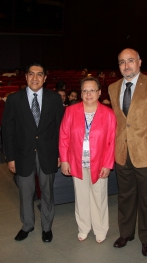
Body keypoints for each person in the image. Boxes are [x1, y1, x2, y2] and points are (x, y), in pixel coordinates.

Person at [108, 48, 147, 257]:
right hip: (123, 153)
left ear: (139, 62)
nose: (126, 65)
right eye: (122, 62)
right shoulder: (112, 87)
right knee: (125, 197)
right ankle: (126, 234)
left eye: (130, 61)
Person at [2, 62, 64, 243]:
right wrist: (10, 157)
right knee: (25, 193)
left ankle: (47, 227)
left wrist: (61, 154)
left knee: (47, 193)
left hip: (48, 154)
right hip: (23, 154)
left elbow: (61, 129)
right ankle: (27, 225)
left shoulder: (54, 99)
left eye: (39, 74)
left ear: (45, 78)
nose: (35, 78)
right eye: (31, 74)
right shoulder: (14, 99)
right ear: (26, 77)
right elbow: (8, 130)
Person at [59, 76, 116, 243]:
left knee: (99, 198)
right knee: (82, 198)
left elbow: (112, 141)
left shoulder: (108, 113)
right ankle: (83, 227)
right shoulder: (71, 111)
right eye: (85, 90)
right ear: (80, 93)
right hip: (77, 162)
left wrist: (107, 164)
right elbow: (63, 137)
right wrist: (64, 160)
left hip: (99, 163)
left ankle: (100, 229)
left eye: (92, 90)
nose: (88, 94)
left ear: (99, 92)